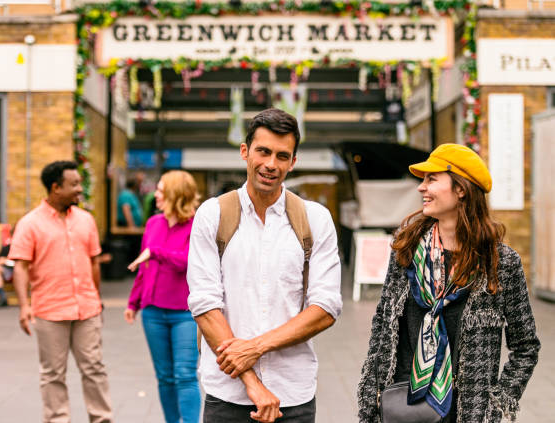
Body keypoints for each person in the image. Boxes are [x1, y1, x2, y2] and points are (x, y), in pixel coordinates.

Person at [357, 144, 541, 422]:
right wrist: (371, 401)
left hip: (467, 412)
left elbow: (526, 346)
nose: (422, 188)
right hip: (402, 405)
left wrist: (497, 405)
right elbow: (381, 330)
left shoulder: (499, 263)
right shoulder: (406, 251)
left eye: (432, 179)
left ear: (461, 189)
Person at [187, 108, 343, 423]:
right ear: (245, 152)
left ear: (293, 162)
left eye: (282, 156)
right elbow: (205, 305)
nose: (271, 164)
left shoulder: (314, 219)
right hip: (227, 395)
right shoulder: (212, 215)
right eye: (263, 151)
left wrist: (256, 347)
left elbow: (325, 307)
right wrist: (252, 383)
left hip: (293, 394)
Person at [8, 161, 113, 423]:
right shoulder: (30, 223)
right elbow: (20, 267)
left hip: (86, 309)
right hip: (50, 310)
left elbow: (94, 263)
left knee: (94, 369)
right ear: (56, 187)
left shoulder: (86, 220)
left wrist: (96, 300)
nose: (80, 189)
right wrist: (24, 306)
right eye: (74, 184)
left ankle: (102, 419)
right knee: (53, 374)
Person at [124, 170, 201, 423]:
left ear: (175, 193)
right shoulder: (153, 224)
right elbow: (143, 267)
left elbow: (187, 261)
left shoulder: (196, 226)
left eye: (160, 189)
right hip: (152, 312)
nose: (155, 194)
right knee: (165, 377)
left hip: (184, 313)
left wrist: (155, 252)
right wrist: (134, 302)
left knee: (185, 374)